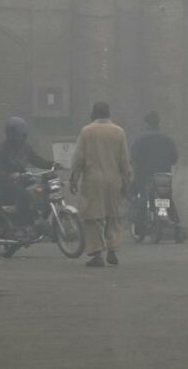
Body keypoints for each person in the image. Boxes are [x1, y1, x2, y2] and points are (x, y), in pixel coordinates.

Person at [70, 102, 132, 268]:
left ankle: (97, 253)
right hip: (113, 179)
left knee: (92, 217)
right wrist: (126, 181)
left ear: (93, 114)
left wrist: (74, 178)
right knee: (113, 216)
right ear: (108, 113)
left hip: (93, 179)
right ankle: (112, 249)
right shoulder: (119, 132)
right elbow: (124, 161)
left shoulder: (87, 131)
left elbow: (78, 159)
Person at [0, 117, 56, 229]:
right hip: (7, 182)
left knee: (42, 189)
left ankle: (39, 217)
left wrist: (52, 164)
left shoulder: (26, 147)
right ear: (11, 134)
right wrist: (9, 175)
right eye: (19, 135)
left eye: (23, 135)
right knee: (24, 195)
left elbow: (36, 159)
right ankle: (25, 224)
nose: (21, 138)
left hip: (22, 178)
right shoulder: (1, 149)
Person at [130, 111, 180, 227]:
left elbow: (134, 157)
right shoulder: (168, 140)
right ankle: (177, 224)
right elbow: (174, 158)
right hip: (163, 176)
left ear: (146, 124)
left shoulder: (140, 140)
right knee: (167, 199)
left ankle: (138, 221)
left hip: (144, 176)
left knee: (139, 194)